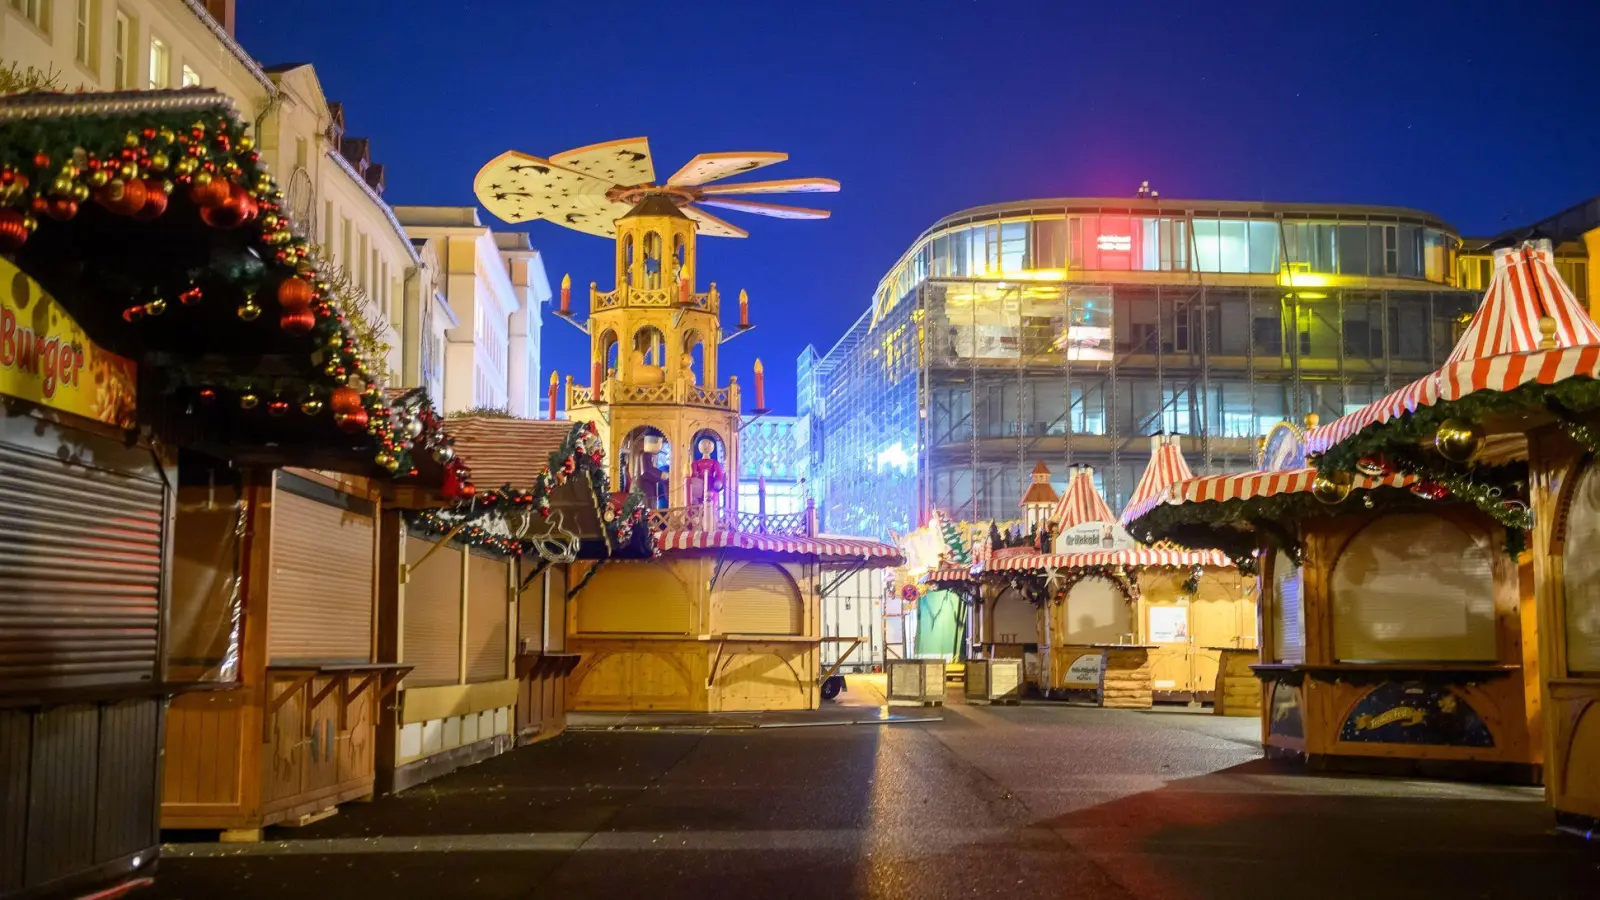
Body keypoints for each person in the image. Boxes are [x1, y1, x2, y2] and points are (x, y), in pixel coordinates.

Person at [686, 437, 725, 507]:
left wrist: (718, 481)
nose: (705, 446)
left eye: (708, 444)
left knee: (712, 500)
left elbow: (719, 473)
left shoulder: (714, 462)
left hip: (711, 482)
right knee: (699, 501)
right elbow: (693, 473)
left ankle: (713, 514)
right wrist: (694, 477)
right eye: (702, 444)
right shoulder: (696, 463)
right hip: (699, 482)